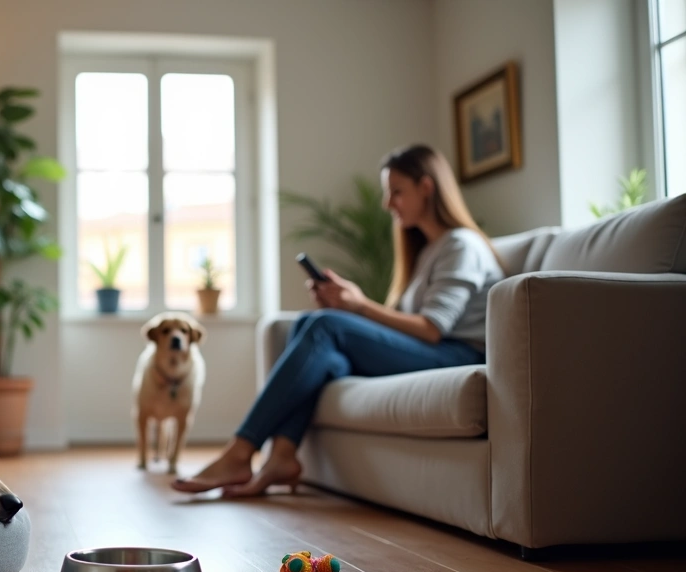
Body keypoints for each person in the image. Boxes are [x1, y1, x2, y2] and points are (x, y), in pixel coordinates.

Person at [172, 144, 505, 497]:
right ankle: (281, 456)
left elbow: (432, 329)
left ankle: (240, 452)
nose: (387, 203)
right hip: (435, 350)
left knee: (324, 326)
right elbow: (409, 325)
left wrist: (360, 305)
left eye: (396, 192)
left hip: (458, 355)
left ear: (426, 187)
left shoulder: (461, 245)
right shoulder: (428, 250)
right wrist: (347, 306)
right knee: (316, 336)